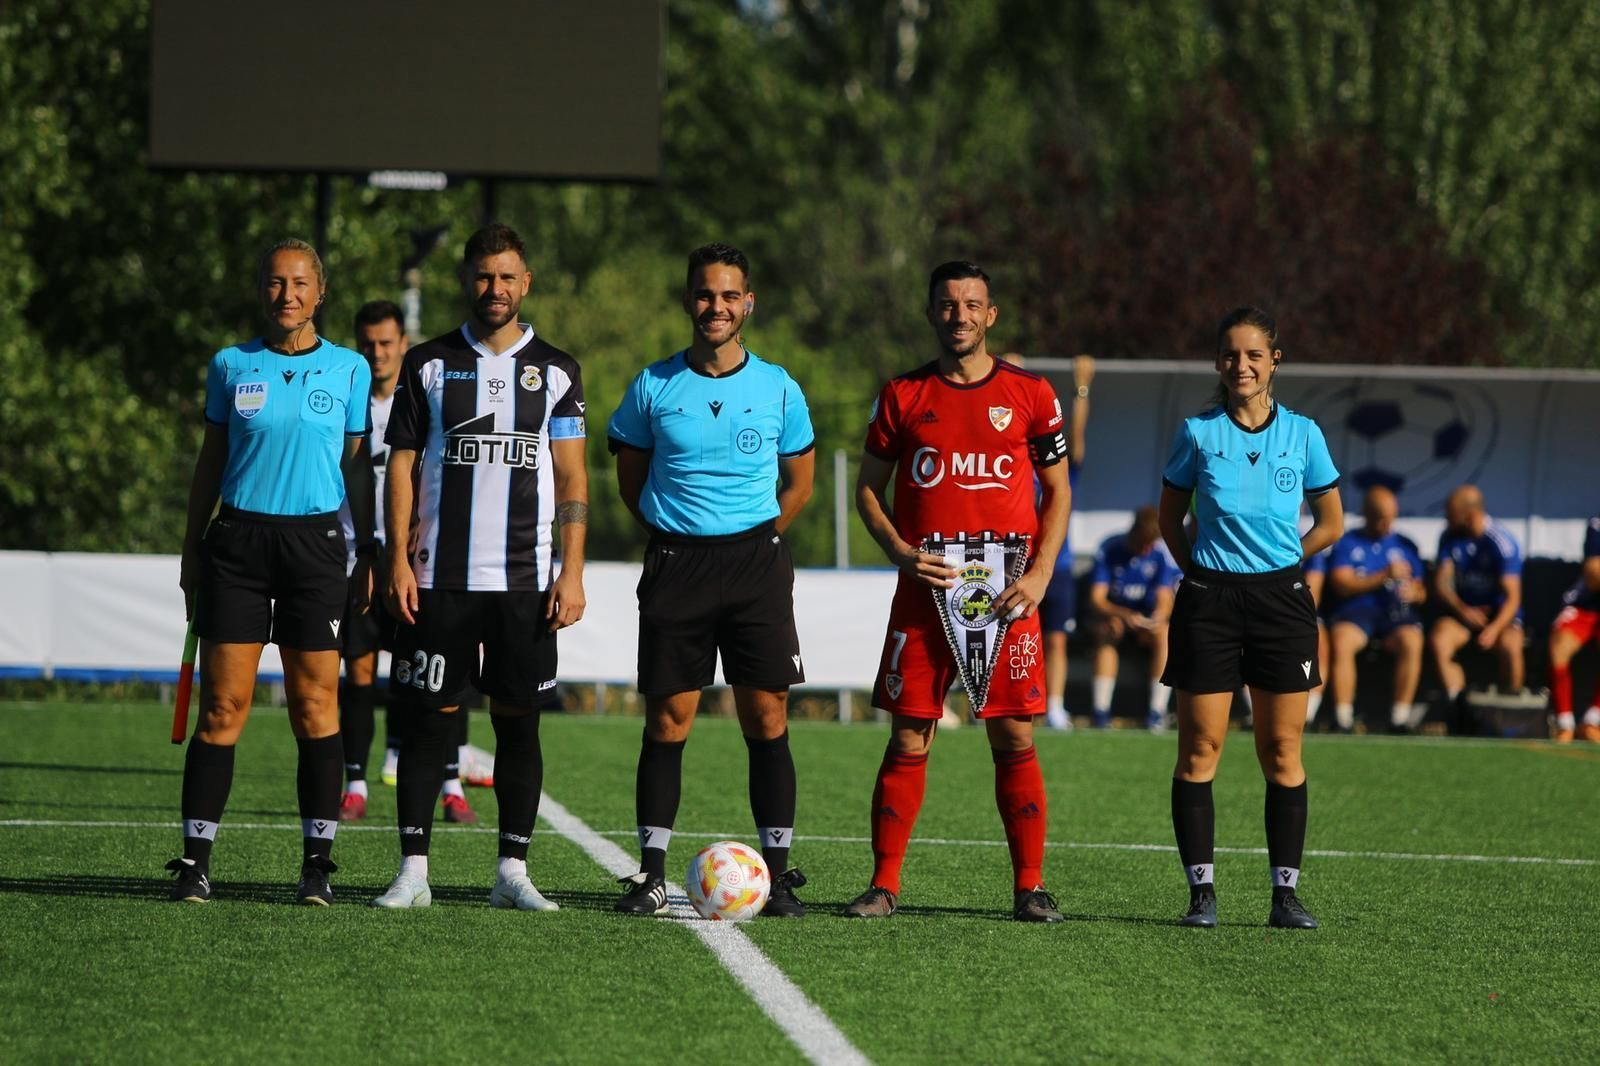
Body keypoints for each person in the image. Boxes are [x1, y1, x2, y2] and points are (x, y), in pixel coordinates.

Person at [845, 260, 1071, 923]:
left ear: (991, 314)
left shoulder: (1032, 394)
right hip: (926, 591)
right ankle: (884, 885)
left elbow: (1058, 493)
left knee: (1013, 736)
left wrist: (1040, 574)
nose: (960, 316)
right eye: (948, 305)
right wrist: (898, 551)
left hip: (1008, 595)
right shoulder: (902, 395)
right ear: (931, 313)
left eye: (972, 305)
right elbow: (866, 488)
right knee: (910, 734)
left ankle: (1029, 887)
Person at [372, 223, 588, 911]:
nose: (494, 289)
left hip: (524, 583)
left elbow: (573, 477)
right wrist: (396, 557)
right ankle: (413, 871)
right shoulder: (429, 363)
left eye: (507, 277)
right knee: (426, 721)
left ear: (525, 283)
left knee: (518, 724)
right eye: (483, 276)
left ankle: (512, 873)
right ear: (467, 281)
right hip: (439, 578)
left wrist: (572, 570)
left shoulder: (558, 370)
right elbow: (400, 464)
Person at [606, 244, 816, 918]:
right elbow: (630, 478)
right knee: (670, 720)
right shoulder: (653, 385)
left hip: (755, 564)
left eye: (729, 296)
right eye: (705, 294)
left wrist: (756, 535)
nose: (716, 307)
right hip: (678, 565)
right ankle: (651, 873)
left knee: (767, 714)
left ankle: (778, 876)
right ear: (688, 299)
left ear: (748, 303)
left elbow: (802, 480)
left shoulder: (779, 386)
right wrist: (673, 532)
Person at [169, 238, 375, 905]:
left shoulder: (348, 370)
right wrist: (192, 545)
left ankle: (317, 866)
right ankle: (196, 862)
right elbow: (212, 460)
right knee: (223, 706)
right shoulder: (230, 365)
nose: (286, 295)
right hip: (238, 546)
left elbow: (346, 457)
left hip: (313, 550)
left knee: (316, 706)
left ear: (320, 293)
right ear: (261, 290)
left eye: (298, 284)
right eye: (274, 283)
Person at [1157, 306, 1343, 930]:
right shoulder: (1197, 432)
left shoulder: (1305, 434)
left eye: (1254, 355)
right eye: (1231, 355)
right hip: (1209, 603)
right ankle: (1201, 894)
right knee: (1200, 749)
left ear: (1274, 361)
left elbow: (1332, 521)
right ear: (1218, 361)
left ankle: (1285, 895)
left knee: (1282, 750)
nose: (1242, 365)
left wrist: (1289, 559)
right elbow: (1168, 519)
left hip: (1281, 605)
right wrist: (1199, 572)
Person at [336, 300, 404, 822]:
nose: (377, 353)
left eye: (386, 343)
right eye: (368, 344)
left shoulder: (416, 401)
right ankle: (354, 781)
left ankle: (418, 768)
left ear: (402, 344)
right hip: (356, 557)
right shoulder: (345, 399)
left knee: (414, 671)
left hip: (405, 558)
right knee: (358, 672)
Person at [1325, 486, 1427, 734]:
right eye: (1381, 517)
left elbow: (1422, 591)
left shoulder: (1405, 545)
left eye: (1391, 517)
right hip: (1357, 612)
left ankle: (1400, 718)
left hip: (1395, 615)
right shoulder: (1348, 542)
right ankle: (1343, 718)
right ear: (1367, 514)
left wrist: (1414, 593)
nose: (1386, 523)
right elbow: (1341, 584)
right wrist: (1382, 576)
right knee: (1341, 641)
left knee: (1412, 640)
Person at [1084, 506, 1181, 731]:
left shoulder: (1158, 554)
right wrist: (1123, 614)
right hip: (1115, 617)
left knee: (1163, 633)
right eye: (1143, 542)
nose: (1146, 548)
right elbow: (1096, 599)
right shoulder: (1110, 549)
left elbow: (1164, 597)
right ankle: (1100, 711)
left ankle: (1156, 712)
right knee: (1110, 630)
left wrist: (1158, 616)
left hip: (1144, 622)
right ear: (1134, 532)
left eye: (1150, 544)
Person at [1036, 355, 1093, 730]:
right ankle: (999, 704)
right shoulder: (1016, 466)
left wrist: (1081, 387)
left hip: (1058, 565)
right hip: (1014, 563)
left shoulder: (1063, 469)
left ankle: (1055, 706)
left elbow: (1076, 440)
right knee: (1005, 641)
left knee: (1055, 640)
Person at [1429, 485, 1524, 704]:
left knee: (1511, 644)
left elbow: (1513, 597)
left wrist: (1494, 629)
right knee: (1441, 637)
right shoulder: (1450, 538)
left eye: (1450, 513)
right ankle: (1459, 705)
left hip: (1500, 618)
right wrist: (1464, 611)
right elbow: (1442, 584)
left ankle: (1512, 708)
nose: (1446, 518)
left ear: (1469, 514)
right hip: (1465, 614)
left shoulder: (1501, 542)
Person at [1548, 513, 1600, 743]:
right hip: (1585, 606)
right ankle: (1564, 724)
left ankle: (1592, 721)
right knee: (1559, 645)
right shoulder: (1598, 523)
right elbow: (1593, 574)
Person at [1302, 547, 1331, 728]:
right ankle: (1254, 713)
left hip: (1296, 610)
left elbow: (1313, 595)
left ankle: (1308, 714)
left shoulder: (1304, 542)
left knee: (1318, 641)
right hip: (1255, 607)